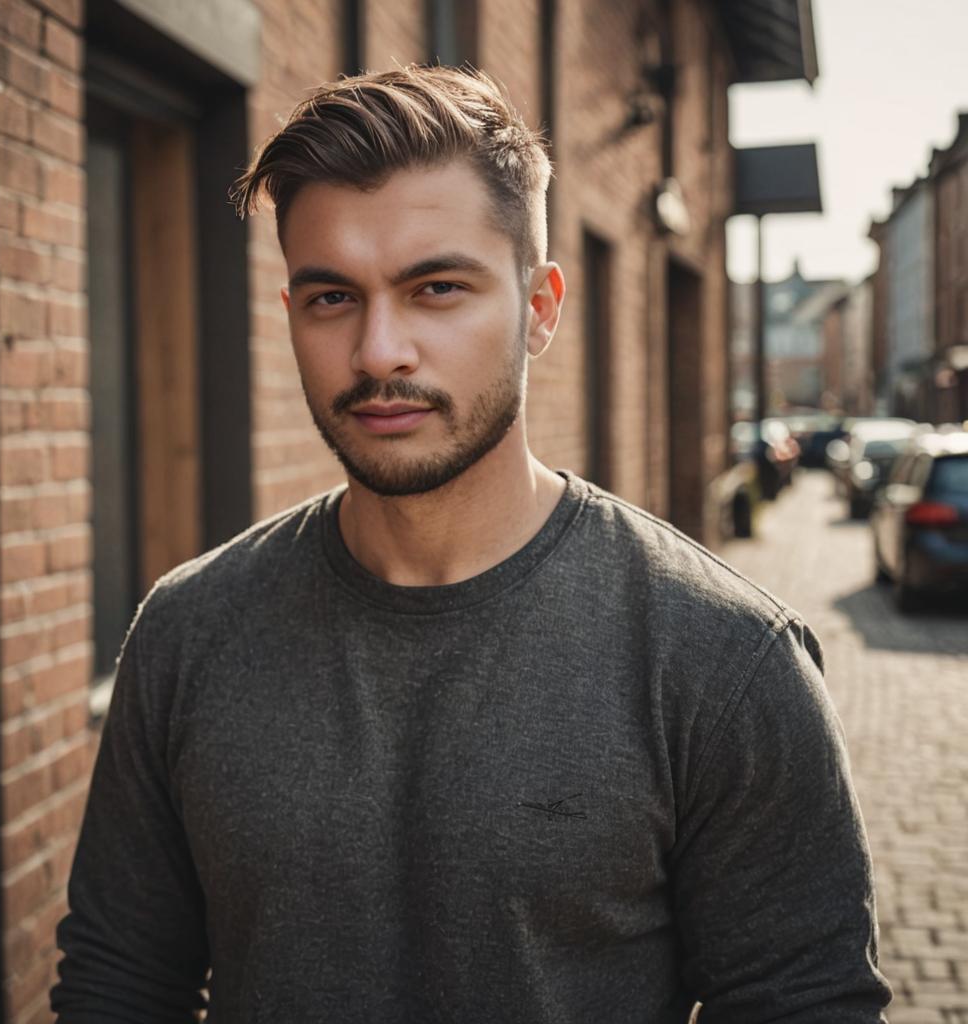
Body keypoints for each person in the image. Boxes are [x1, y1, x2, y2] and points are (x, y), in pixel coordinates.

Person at [52, 65, 891, 1023]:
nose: (378, 352)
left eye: (436, 288)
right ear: (290, 315)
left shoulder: (722, 659)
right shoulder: (188, 630)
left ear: (540, 307)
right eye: (332, 298)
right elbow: (119, 984)